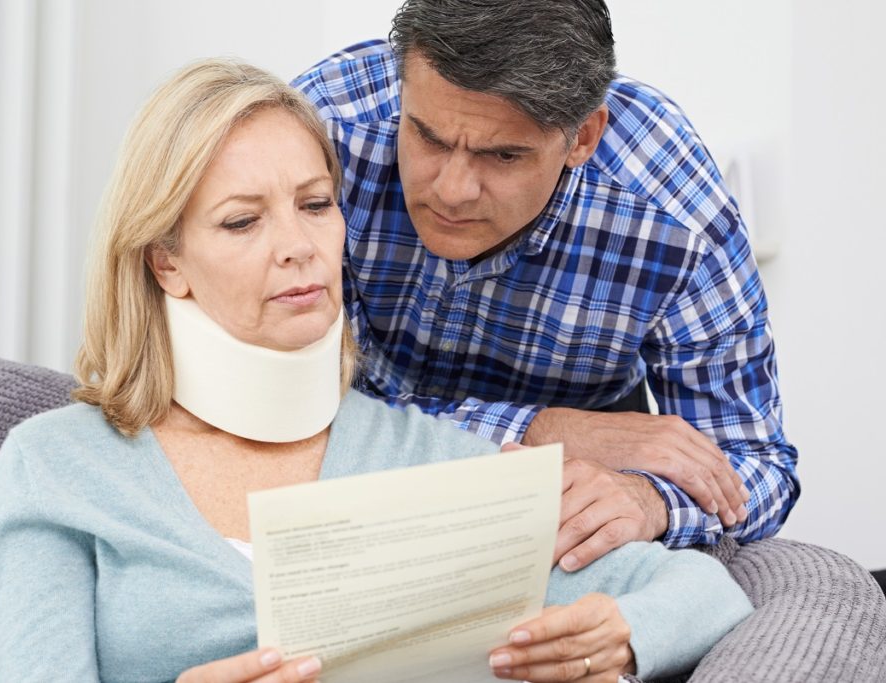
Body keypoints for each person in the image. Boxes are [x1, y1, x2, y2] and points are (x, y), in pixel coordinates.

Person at [0, 59, 752, 683]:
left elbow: (703, 593)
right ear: (167, 262)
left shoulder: (433, 459)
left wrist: (621, 636)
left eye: (316, 204)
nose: (299, 245)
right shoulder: (57, 466)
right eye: (243, 220)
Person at [291, 0, 800, 571]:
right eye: (428, 138)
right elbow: (277, 409)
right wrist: (542, 431)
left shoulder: (675, 215)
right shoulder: (319, 133)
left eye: (503, 154)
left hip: (568, 494)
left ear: (583, 137)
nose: (452, 191)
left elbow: (757, 464)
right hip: (346, 443)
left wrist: (649, 500)